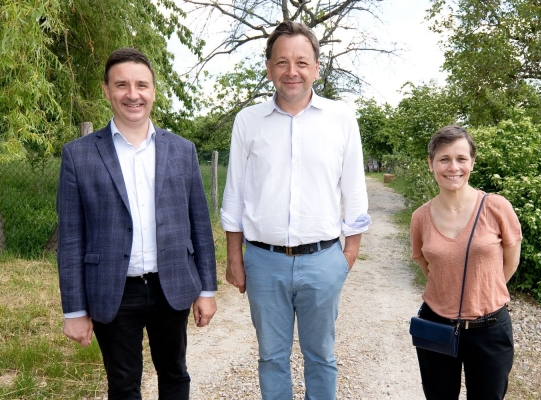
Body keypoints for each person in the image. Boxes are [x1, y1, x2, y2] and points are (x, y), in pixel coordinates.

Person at [220, 21, 371, 400]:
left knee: (321, 355)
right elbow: (235, 193)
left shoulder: (341, 119)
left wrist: (345, 257)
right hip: (263, 261)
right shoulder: (247, 121)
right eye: (282, 62)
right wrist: (234, 257)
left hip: (323, 259)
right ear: (269, 68)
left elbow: (354, 192)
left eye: (302, 62)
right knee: (271, 356)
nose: (292, 71)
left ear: (317, 67)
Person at [57, 47, 218, 400]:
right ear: (107, 90)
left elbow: (200, 226)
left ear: (153, 91)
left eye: (141, 85)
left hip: (171, 285)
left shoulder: (182, 150)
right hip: (113, 290)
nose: (133, 94)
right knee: (124, 385)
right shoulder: (78, 155)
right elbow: (71, 239)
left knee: (175, 374)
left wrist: (207, 290)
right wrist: (74, 310)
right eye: (122, 85)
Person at [410, 125, 522, 400]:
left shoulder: (497, 207)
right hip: (437, 325)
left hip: (490, 330)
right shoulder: (420, 217)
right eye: (444, 159)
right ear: (431, 164)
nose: (453, 167)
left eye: (461, 159)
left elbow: (510, 260)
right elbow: (427, 265)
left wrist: (483, 291)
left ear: (472, 161)